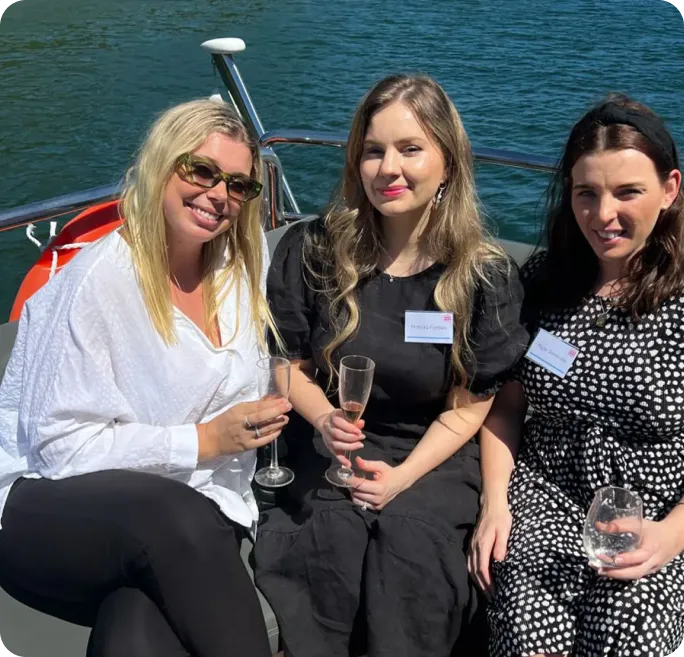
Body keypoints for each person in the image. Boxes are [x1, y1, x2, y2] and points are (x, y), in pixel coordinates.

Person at [0, 98, 292, 657]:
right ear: (162, 163)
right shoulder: (99, 284)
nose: (218, 195)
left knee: (136, 626)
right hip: (48, 507)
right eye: (201, 171)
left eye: (238, 185)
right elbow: (60, 451)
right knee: (175, 519)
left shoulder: (239, 264)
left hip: (194, 517)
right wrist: (204, 440)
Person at [252, 74, 529, 657]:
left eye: (410, 149)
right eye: (373, 150)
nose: (388, 168)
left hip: (432, 451)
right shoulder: (315, 250)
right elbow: (288, 363)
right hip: (333, 443)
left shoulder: (482, 276)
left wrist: (402, 478)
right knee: (328, 544)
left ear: (448, 163)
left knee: (412, 547)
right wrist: (327, 421)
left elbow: (471, 403)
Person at [468, 94, 684, 657]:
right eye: (586, 193)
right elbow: (508, 408)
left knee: (630, 635)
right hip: (545, 499)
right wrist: (496, 505)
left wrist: (670, 535)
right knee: (524, 628)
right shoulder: (543, 282)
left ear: (670, 190)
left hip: (652, 515)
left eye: (627, 192)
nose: (603, 214)